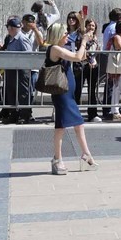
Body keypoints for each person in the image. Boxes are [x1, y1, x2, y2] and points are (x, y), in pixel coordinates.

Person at [46, 25, 97, 174]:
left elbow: (80, 56)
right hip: (61, 93)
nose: (67, 36)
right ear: (57, 35)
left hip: (68, 93)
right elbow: (76, 57)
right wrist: (83, 42)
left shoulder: (61, 48)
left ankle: (86, 155)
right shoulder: (54, 49)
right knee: (61, 126)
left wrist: (85, 43)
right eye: (64, 33)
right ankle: (57, 159)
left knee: (79, 123)